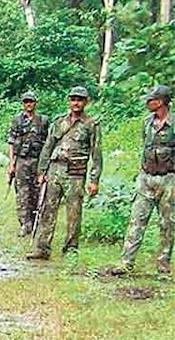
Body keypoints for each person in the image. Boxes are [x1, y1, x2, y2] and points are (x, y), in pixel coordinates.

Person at [28, 86, 102, 260]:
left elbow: (96, 154)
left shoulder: (91, 124)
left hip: (75, 172)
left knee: (74, 212)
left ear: (86, 102)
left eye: (80, 99)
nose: (76, 103)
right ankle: (42, 248)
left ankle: (70, 249)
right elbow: (48, 146)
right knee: (47, 209)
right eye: (73, 99)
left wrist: (94, 180)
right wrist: (42, 171)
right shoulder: (59, 122)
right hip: (55, 169)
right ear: (69, 101)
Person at [112, 85, 174, 275]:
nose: (147, 103)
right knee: (137, 220)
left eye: (151, 99)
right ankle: (126, 262)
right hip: (146, 177)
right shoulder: (147, 123)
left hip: (169, 179)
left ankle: (163, 263)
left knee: (168, 223)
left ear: (161, 101)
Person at [7, 91, 50, 236]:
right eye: (26, 102)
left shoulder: (43, 121)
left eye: (30, 101)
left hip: (37, 161)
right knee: (22, 193)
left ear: (35, 103)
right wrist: (11, 164)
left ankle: (35, 222)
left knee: (37, 192)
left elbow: (48, 143)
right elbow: (11, 143)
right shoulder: (17, 120)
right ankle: (25, 224)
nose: (28, 104)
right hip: (21, 160)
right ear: (23, 104)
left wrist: (45, 165)